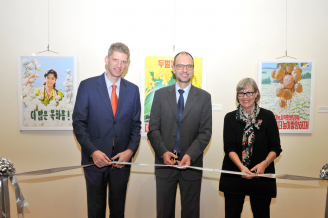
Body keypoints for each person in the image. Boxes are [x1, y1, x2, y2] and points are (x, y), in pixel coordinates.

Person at [73, 42, 141, 218]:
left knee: (118, 211)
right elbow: (78, 123)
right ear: (107, 59)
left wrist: (129, 151)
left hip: (121, 162)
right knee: (96, 211)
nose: (119, 65)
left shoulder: (133, 91)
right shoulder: (87, 86)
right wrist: (93, 151)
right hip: (94, 161)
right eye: (115, 60)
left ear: (127, 64)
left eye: (124, 61)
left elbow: (136, 126)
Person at [147, 51, 212, 218]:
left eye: (189, 66)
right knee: (164, 213)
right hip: (165, 165)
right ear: (173, 69)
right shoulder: (160, 95)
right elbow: (153, 129)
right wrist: (162, 152)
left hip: (191, 165)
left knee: (191, 213)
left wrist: (190, 154)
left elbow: (205, 132)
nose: (185, 70)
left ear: (193, 69)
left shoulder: (204, 97)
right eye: (180, 66)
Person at [219, 78, 282, 218]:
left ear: (256, 94)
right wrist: (241, 167)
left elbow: (276, 148)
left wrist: (265, 163)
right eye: (241, 93)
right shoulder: (229, 118)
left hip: (261, 176)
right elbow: (229, 148)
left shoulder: (268, 116)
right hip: (235, 174)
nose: (245, 97)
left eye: (249, 93)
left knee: (262, 214)